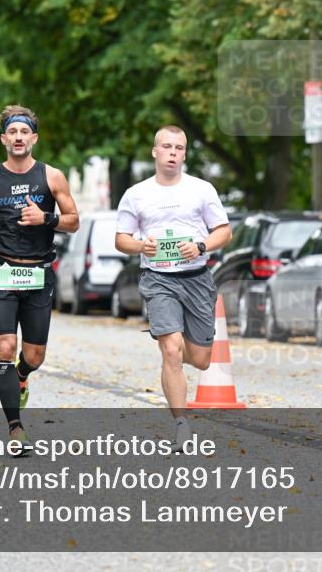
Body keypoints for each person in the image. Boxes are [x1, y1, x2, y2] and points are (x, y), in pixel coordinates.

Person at [0, 105, 79, 452]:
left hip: (38, 274)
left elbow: (73, 219)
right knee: (5, 348)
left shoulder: (52, 176)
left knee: (34, 355)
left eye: (24, 132)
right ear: (3, 139)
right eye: (12, 132)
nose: (18, 137)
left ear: (34, 138)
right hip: (1, 272)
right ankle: (15, 429)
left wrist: (47, 219)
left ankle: (22, 375)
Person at [115, 125, 232, 451]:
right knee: (171, 348)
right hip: (158, 279)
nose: (172, 153)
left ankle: (184, 372)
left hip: (196, 277)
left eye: (178, 148)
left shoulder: (202, 189)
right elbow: (121, 239)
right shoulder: (136, 194)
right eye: (166, 147)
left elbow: (224, 232)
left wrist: (201, 245)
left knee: (200, 359)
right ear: (155, 152)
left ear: (184, 153)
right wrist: (141, 246)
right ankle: (181, 423)